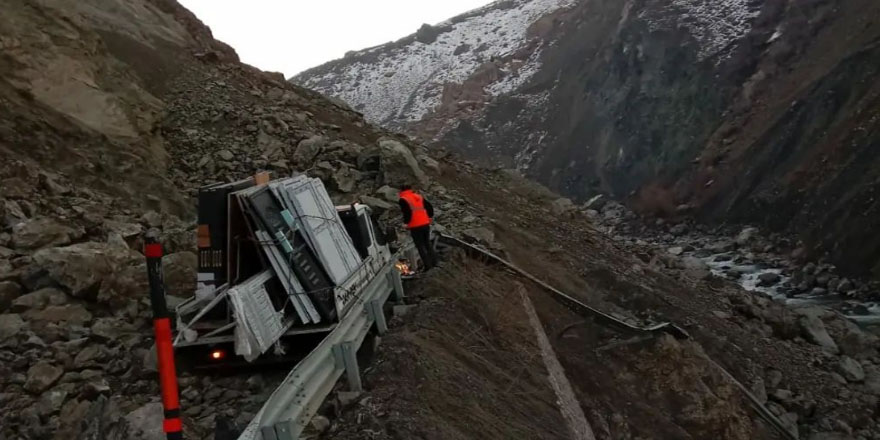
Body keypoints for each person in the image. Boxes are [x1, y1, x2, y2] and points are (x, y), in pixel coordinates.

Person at [398, 184, 438, 270]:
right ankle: (435, 262)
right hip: (425, 223)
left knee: (420, 246)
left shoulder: (403, 199)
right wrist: (430, 217)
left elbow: (407, 213)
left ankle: (428, 266)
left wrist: (406, 223)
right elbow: (429, 207)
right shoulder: (418, 196)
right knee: (427, 243)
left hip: (415, 226)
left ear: (401, 190)